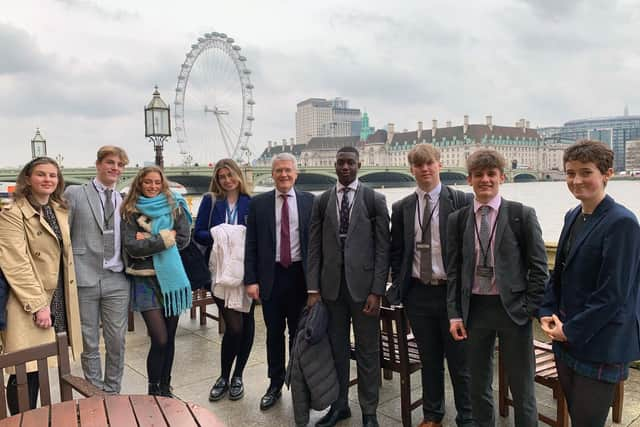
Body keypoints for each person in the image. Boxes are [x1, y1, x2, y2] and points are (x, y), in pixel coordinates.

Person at [539, 140, 640, 427]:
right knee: (576, 414)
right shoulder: (573, 215)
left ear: (607, 174)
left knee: (587, 421)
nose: (576, 180)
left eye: (586, 172)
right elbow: (559, 272)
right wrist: (546, 310)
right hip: (568, 339)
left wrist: (568, 331)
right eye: (570, 173)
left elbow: (614, 295)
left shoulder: (623, 223)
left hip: (600, 343)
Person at [446, 149, 548, 427]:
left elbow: (539, 269)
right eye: (478, 175)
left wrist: (528, 309)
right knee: (477, 386)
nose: (485, 180)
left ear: (502, 177)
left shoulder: (521, 215)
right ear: (469, 179)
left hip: (512, 311)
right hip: (475, 312)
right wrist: (455, 314)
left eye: (491, 174)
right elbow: (454, 271)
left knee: (523, 388)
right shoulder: (457, 219)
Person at [388, 143, 474, 427]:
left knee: (461, 362)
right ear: (411, 169)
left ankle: (467, 417)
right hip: (418, 293)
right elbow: (397, 250)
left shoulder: (461, 200)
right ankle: (432, 414)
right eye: (418, 165)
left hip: (451, 294)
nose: (425, 169)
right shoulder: (402, 208)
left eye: (429, 163)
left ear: (439, 165)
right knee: (430, 359)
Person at [307, 146, 390, 427]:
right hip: (331, 290)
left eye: (350, 163)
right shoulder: (323, 201)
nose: (345, 167)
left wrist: (377, 291)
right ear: (334, 165)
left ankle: (369, 411)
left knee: (368, 351)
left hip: (364, 290)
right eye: (341, 163)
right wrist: (313, 289)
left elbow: (383, 249)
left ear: (359, 165)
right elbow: (314, 248)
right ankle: (339, 405)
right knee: (336, 350)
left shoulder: (374, 199)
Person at [0, 157, 82, 414]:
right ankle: (21, 420)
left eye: (53, 175)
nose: (48, 180)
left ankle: (36, 417)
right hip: (28, 301)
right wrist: (38, 305)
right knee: (24, 370)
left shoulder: (58, 210)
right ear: (27, 178)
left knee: (43, 365)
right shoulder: (12, 214)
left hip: (57, 295)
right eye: (41, 174)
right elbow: (16, 263)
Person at [244, 152, 315, 411]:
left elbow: (316, 246)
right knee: (274, 334)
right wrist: (250, 280)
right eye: (278, 171)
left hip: (300, 277)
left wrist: (315, 285)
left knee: (299, 334)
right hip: (271, 277)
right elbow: (251, 244)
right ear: (272, 174)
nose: (283, 175)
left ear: (296, 174)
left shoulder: (310, 202)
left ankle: (298, 381)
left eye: (288, 170)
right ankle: (274, 383)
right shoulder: (259, 204)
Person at [121, 166, 192, 396]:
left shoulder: (175, 206)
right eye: (147, 182)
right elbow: (131, 247)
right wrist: (162, 238)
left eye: (157, 182)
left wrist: (149, 239)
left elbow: (182, 239)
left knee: (170, 338)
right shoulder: (130, 210)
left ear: (163, 184)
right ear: (139, 184)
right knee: (159, 338)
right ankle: (153, 388)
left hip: (171, 280)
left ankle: (165, 385)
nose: (152, 186)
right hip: (145, 281)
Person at [64, 146, 130, 393]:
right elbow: (65, 236)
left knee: (117, 341)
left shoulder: (122, 199)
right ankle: (94, 392)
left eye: (120, 165)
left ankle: (112, 392)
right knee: (89, 341)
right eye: (110, 163)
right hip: (84, 277)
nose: (115, 168)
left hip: (117, 279)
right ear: (98, 164)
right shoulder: (75, 193)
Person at [193, 158, 255, 402]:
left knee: (247, 323)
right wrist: (222, 235)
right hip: (218, 272)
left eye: (230, 175)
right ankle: (223, 376)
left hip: (246, 273)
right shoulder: (210, 201)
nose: (227, 180)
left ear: (238, 175)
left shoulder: (252, 202)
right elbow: (197, 232)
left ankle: (238, 376)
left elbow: (259, 237)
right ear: (217, 180)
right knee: (234, 326)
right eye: (222, 177)